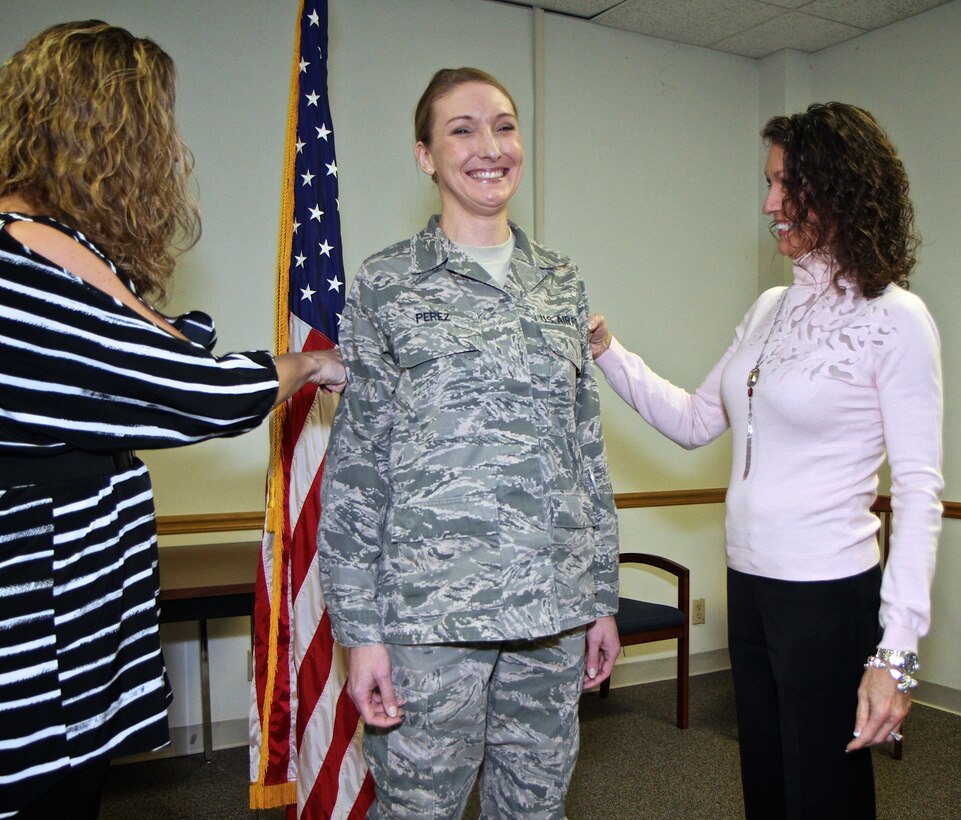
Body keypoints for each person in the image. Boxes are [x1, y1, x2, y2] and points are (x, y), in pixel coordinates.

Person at [0, 21, 345, 818]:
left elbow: (137, 362)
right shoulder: (33, 250)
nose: (173, 148)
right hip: (33, 628)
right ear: (108, 131)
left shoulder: (35, 246)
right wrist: (309, 364)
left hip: (48, 613)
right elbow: (197, 392)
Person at [589, 102, 942, 819]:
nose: (768, 204)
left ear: (837, 186)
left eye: (785, 184)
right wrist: (605, 350)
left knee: (823, 795)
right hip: (749, 583)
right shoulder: (769, 307)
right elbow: (694, 421)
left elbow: (918, 492)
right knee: (768, 786)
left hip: (825, 592)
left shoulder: (895, 318)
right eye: (769, 183)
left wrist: (894, 656)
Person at [318, 67, 619, 818]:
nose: (490, 146)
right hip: (430, 622)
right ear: (425, 155)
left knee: (534, 809)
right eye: (462, 129)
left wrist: (600, 597)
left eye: (505, 125)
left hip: (551, 614)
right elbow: (358, 472)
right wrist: (362, 636)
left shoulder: (559, 280)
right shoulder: (385, 285)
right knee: (419, 810)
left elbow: (583, 449)